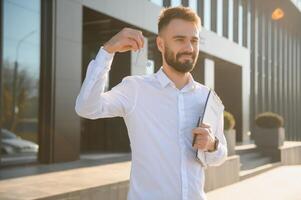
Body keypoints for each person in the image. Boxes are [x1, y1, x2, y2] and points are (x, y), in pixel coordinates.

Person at [75, 6, 227, 200]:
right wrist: (108, 51)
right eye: (180, 39)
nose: (189, 48)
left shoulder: (207, 97)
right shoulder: (135, 89)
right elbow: (86, 107)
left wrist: (212, 145)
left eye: (194, 41)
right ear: (161, 44)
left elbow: (220, 155)